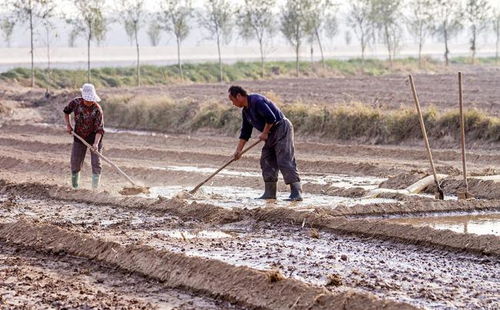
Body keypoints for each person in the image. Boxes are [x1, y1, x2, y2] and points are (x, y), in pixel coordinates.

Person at [228, 85, 303, 201]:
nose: (233, 103)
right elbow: (245, 133)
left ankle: (296, 193)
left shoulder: (257, 101)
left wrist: (264, 133)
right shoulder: (246, 112)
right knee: (266, 159)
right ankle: (270, 193)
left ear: (239, 96)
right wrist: (238, 151)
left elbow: (271, 118)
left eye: (232, 100)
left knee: (284, 159)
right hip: (270, 132)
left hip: (281, 127)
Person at [63, 83, 105, 189]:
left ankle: (94, 189)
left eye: (91, 100)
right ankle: (75, 188)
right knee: (75, 162)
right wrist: (68, 125)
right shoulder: (75, 103)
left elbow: (100, 129)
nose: (89, 102)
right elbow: (66, 112)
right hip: (79, 136)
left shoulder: (97, 110)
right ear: (83, 97)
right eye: (87, 99)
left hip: (94, 138)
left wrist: (95, 144)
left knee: (96, 163)